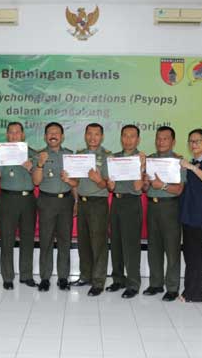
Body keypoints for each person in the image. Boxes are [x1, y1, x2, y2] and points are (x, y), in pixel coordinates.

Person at [0, 122, 37, 290]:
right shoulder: (0, 153)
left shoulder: (32, 153)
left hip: (27, 200)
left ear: (23, 135)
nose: (14, 135)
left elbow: (39, 179)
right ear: (6, 135)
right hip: (8, 199)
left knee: (27, 239)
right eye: (11, 132)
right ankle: (7, 277)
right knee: (7, 239)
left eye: (17, 132)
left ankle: (26, 275)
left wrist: (32, 168)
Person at [142, 126, 184, 302]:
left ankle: (172, 288)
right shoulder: (150, 160)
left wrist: (163, 186)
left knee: (172, 249)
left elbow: (179, 189)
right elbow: (145, 188)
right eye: (158, 138)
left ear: (173, 141)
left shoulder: (178, 161)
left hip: (170, 207)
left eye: (165, 138)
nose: (161, 142)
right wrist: (145, 182)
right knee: (154, 247)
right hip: (152, 206)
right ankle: (156, 283)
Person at [32, 122, 74, 292]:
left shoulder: (69, 155)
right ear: (45, 137)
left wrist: (77, 201)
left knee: (65, 240)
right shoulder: (38, 156)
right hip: (47, 201)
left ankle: (63, 277)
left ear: (62, 137)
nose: (53, 135)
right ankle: (45, 277)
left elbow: (75, 182)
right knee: (46, 240)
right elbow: (36, 181)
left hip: (66, 201)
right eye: (50, 133)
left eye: (56, 133)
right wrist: (40, 165)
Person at [70, 123, 111, 297]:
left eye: (96, 134)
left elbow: (108, 185)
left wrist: (98, 179)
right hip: (83, 202)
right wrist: (75, 200)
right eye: (89, 134)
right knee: (84, 243)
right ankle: (85, 276)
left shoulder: (107, 157)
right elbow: (75, 182)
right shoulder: (79, 155)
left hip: (98, 203)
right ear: (85, 135)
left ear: (102, 137)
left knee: (98, 244)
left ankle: (98, 282)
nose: (92, 137)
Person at [106, 124, 145, 299]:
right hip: (116, 201)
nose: (128, 140)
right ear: (121, 138)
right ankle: (118, 279)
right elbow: (110, 186)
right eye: (125, 136)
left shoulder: (141, 159)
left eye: (132, 136)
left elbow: (138, 187)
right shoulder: (114, 158)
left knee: (131, 245)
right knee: (116, 243)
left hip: (131, 202)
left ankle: (133, 283)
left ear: (138, 139)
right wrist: (110, 184)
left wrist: (141, 167)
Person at [179, 128, 202, 303]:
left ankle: (194, 293)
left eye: (197, 141)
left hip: (199, 215)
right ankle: (191, 290)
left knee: (194, 254)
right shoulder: (193, 162)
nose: (193, 144)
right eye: (191, 141)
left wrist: (191, 167)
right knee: (189, 253)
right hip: (188, 214)